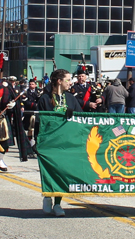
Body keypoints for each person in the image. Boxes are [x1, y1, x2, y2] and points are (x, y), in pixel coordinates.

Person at [37, 69, 82, 217]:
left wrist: (72, 116)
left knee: (62, 172)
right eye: (68, 80)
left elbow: (81, 118)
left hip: (66, 141)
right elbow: (39, 122)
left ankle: (57, 203)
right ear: (59, 81)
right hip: (50, 142)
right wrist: (34, 140)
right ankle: (48, 196)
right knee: (50, 172)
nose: (71, 82)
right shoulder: (44, 99)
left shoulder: (71, 98)